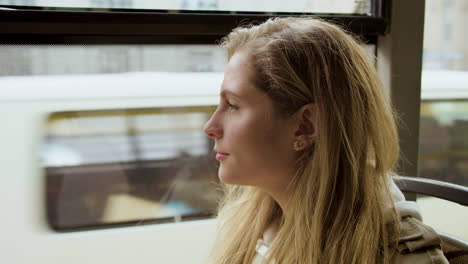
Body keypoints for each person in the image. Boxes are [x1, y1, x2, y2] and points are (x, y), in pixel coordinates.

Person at [203, 17, 448, 264]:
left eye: (233, 105)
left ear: (305, 126)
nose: (210, 127)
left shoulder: (407, 258)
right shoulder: (254, 222)